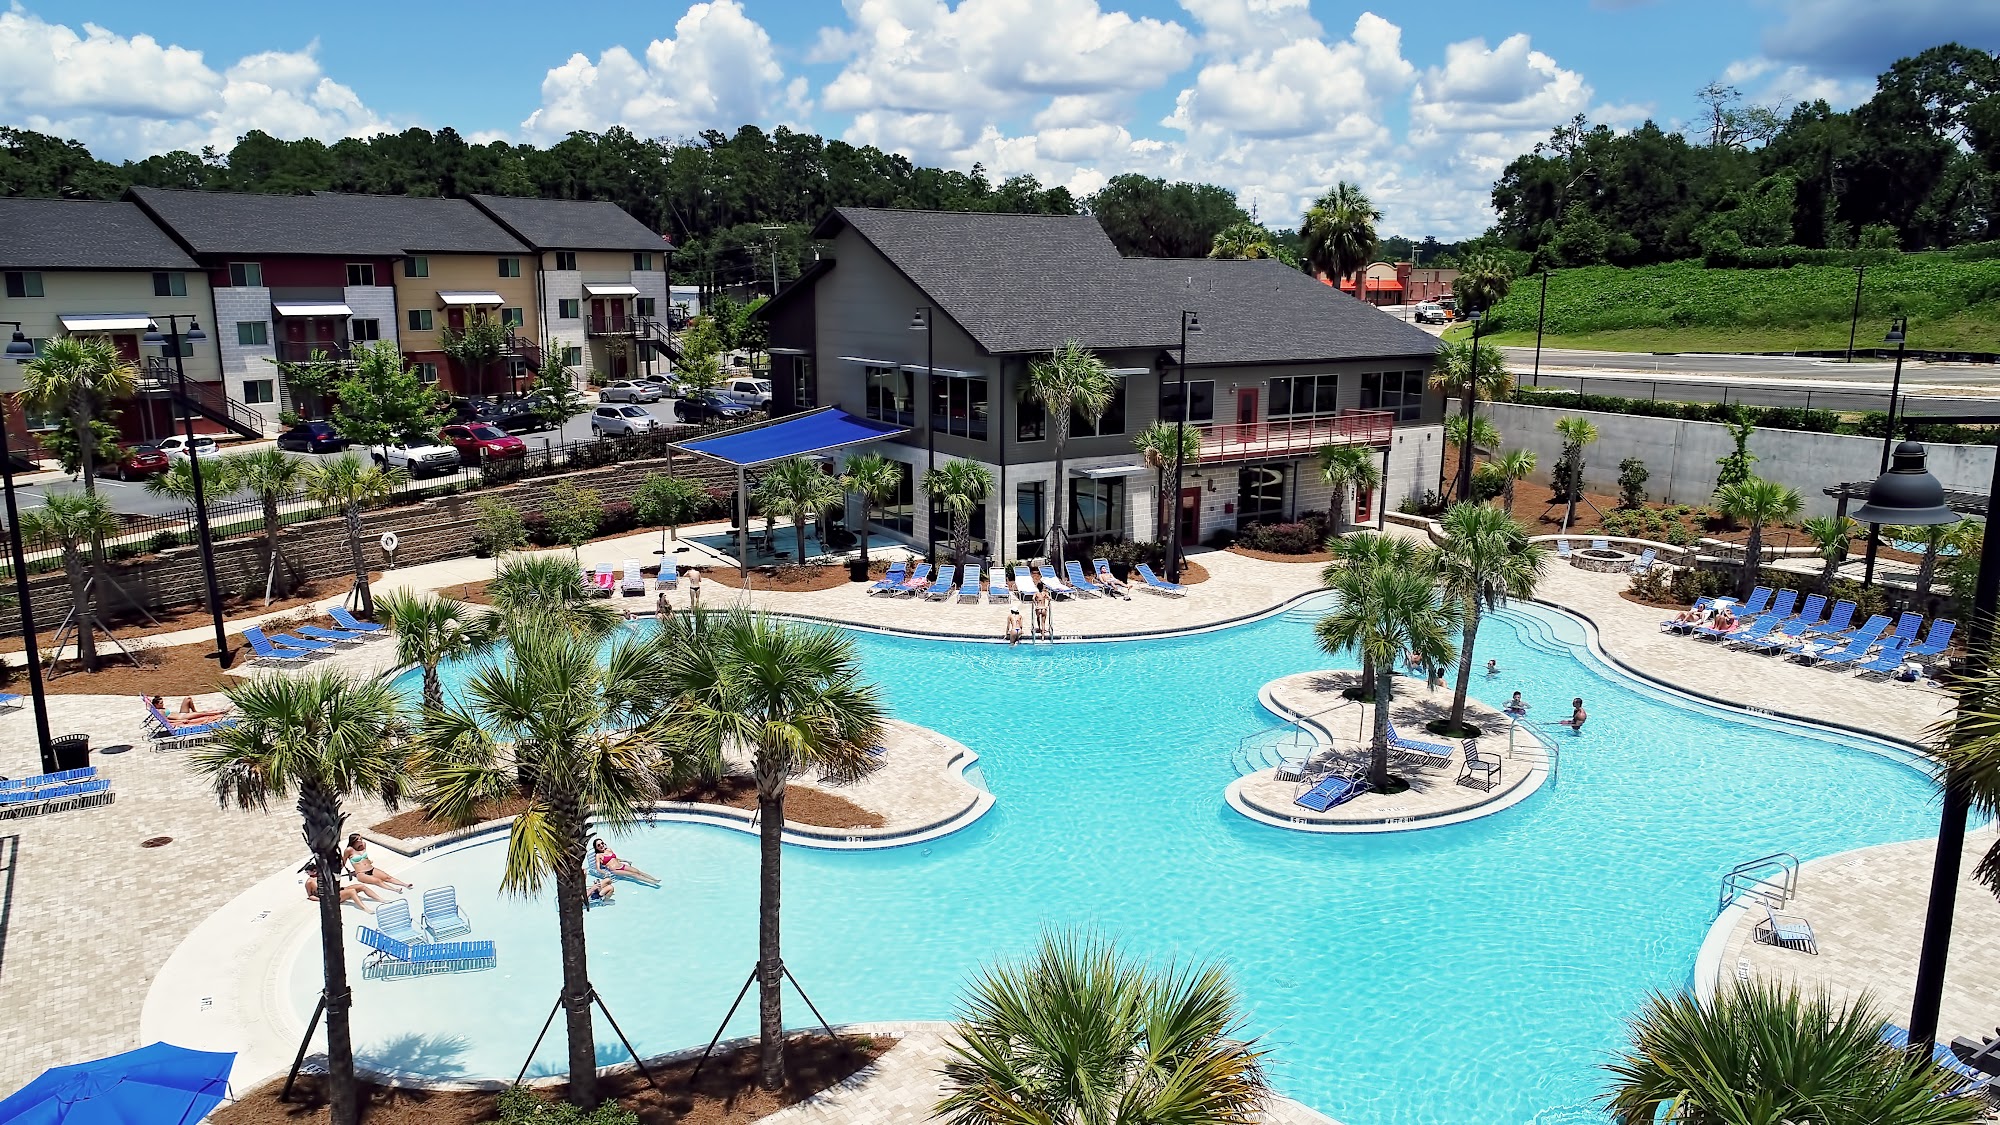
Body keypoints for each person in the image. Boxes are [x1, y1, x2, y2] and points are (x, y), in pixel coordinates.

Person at [344, 833, 413, 892]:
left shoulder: (364, 845)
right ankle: (395, 889)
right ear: (354, 841)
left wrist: (368, 861)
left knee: (387, 877)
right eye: (359, 839)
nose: (361, 840)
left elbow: (364, 857)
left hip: (371, 868)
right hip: (361, 873)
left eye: (361, 838)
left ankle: (405, 884)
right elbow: (343, 861)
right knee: (378, 881)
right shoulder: (349, 850)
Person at [305, 864, 387, 912]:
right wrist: (322, 900)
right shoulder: (309, 882)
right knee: (352, 891)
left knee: (361, 886)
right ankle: (364, 908)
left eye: (314, 869)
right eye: (311, 870)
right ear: (308, 872)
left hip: (338, 891)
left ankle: (381, 900)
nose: (314, 871)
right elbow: (310, 895)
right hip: (331, 897)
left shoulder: (324, 875)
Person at [591, 838, 660, 886]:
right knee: (633, 874)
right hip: (615, 870)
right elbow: (598, 868)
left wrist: (626, 861)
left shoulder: (609, 849)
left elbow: (616, 859)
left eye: (602, 843)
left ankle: (654, 879)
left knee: (638, 871)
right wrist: (604, 872)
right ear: (596, 848)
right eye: (598, 845)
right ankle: (652, 882)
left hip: (621, 865)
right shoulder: (598, 855)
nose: (601, 845)